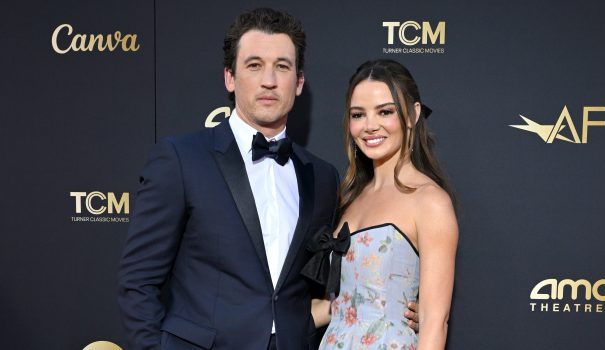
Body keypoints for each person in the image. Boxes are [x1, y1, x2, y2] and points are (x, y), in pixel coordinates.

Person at [117, 8, 419, 350]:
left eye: (282, 66)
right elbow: (137, 281)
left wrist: (399, 308)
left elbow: (332, 283)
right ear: (230, 78)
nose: (269, 81)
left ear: (299, 82)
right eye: (254, 65)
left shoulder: (322, 178)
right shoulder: (181, 160)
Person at [309, 59, 458, 350]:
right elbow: (334, 306)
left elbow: (434, 322)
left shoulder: (430, 201)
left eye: (385, 111)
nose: (370, 126)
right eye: (358, 114)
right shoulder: (348, 198)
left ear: (413, 114)